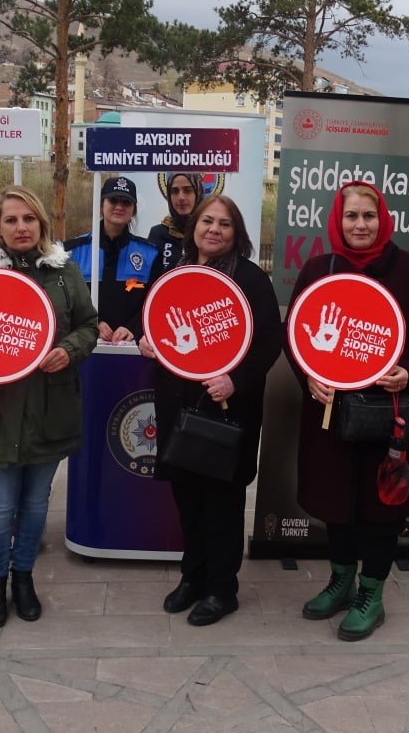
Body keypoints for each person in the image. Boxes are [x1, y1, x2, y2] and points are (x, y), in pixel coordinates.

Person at [287, 182, 409, 642]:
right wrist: (308, 375)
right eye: (351, 216)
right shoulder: (320, 269)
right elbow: (293, 332)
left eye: (369, 216)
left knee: (384, 503)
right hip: (330, 411)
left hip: (389, 411)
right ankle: (341, 582)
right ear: (337, 221)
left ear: (383, 219)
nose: (360, 225)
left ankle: (372, 594)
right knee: (335, 500)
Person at [138, 195, 282, 627]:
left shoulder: (252, 280)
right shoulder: (172, 275)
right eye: (207, 221)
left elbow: (269, 342)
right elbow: (152, 326)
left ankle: (223, 588)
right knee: (187, 498)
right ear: (193, 227)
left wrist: (235, 378)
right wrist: (146, 343)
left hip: (227, 408)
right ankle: (192, 577)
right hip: (178, 404)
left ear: (237, 233)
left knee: (222, 502)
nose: (214, 229)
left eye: (224, 223)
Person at [0, 186, 98, 629]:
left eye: (28, 219)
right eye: (10, 220)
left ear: (41, 223)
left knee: (36, 501)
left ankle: (24, 578)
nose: (20, 227)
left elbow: (89, 324)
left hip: (49, 404)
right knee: (0, 504)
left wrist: (70, 349)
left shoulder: (62, 272)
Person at [66, 176, 159, 343]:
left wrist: (134, 328)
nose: (119, 206)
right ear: (101, 205)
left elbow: (155, 302)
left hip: (132, 347)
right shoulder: (73, 251)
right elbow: (66, 301)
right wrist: (91, 324)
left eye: (126, 202)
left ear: (134, 210)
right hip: (84, 347)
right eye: (113, 200)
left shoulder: (150, 254)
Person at [147, 172, 202, 274]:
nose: (181, 197)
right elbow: (151, 279)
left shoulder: (207, 233)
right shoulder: (158, 233)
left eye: (188, 190)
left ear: (198, 193)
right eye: (174, 191)